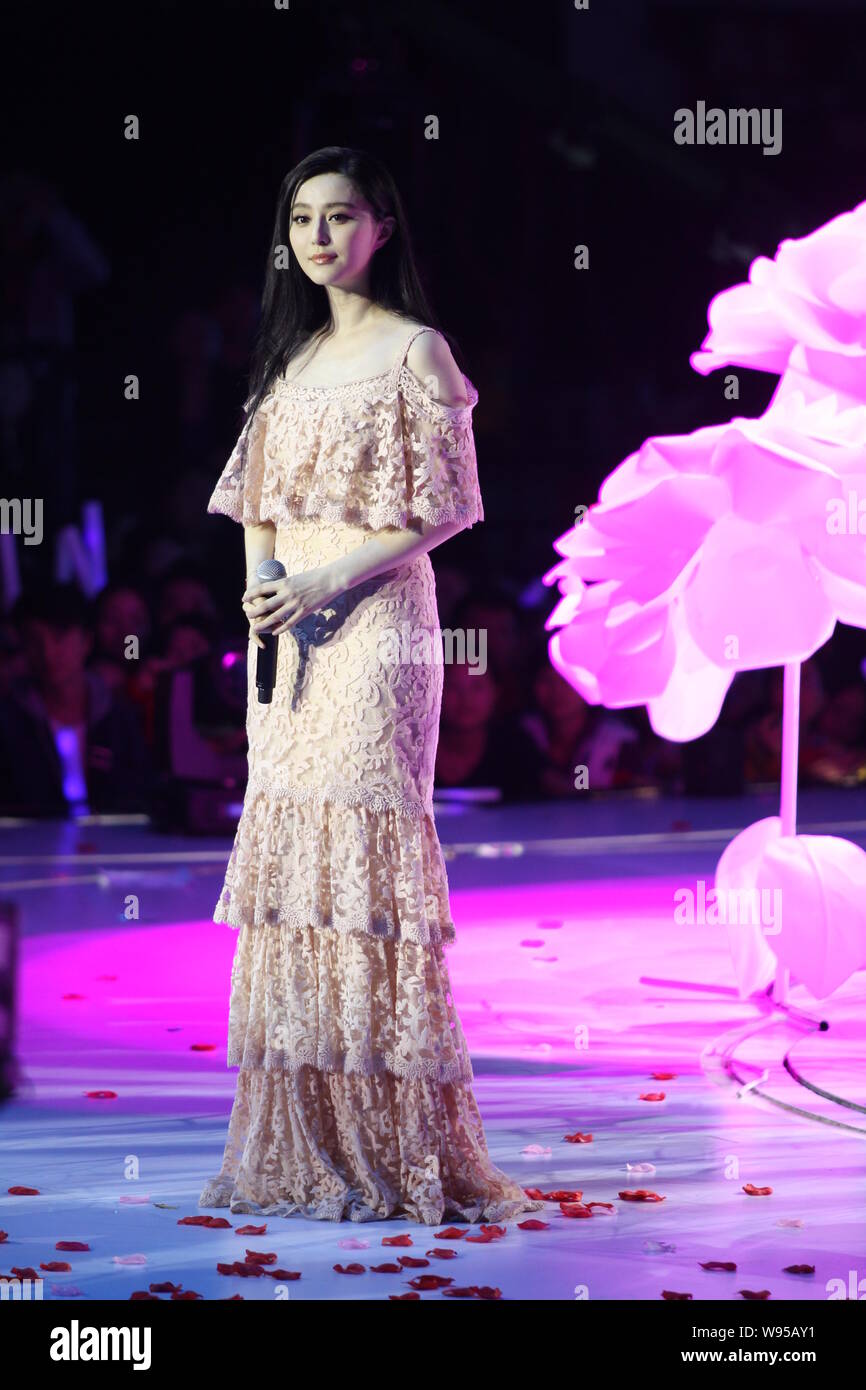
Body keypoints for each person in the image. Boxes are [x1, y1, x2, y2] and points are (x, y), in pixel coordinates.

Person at [198, 147, 545, 1226]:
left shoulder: (417, 353)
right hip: (289, 638)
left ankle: (386, 1143)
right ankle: (299, 1137)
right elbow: (253, 496)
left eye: (340, 217)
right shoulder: (288, 358)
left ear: (380, 228)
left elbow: (449, 505)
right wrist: (264, 583)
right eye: (302, 219)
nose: (318, 237)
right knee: (297, 851)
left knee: (365, 853)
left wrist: (327, 579)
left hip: (377, 625)